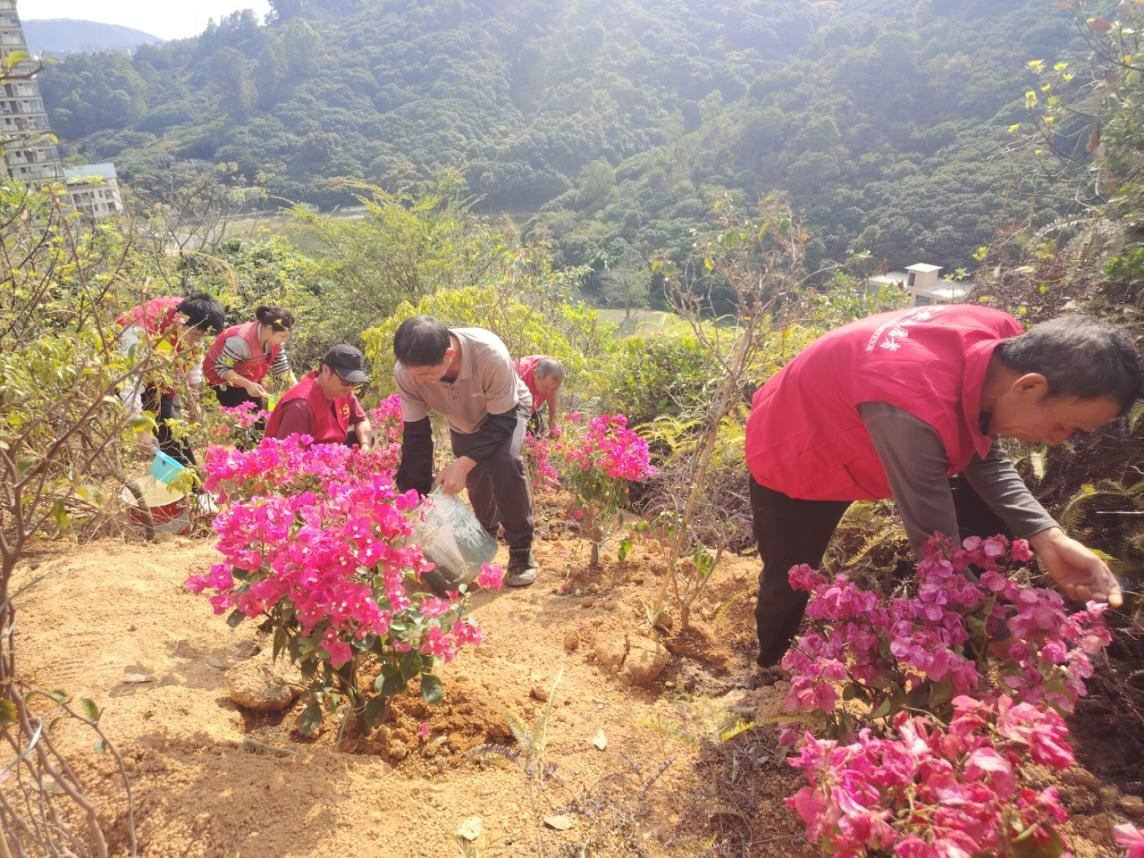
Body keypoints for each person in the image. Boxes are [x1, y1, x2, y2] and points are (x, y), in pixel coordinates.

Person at [745, 304, 1143, 669]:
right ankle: (770, 663)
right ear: (1030, 387)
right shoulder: (911, 411)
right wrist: (1007, 643)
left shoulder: (1001, 343)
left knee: (985, 519)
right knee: (790, 573)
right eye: (1065, 426)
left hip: (865, 420)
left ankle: (963, 637)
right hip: (798, 451)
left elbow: (981, 448)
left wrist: (1048, 537)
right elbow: (936, 553)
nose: (1058, 441)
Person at [392, 315, 538, 587]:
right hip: (462, 420)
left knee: (504, 461)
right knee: (478, 483)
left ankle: (521, 550)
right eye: (413, 372)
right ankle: (485, 537)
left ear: (449, 354)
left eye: (425, 374)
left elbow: (502, 420)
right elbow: (416, 436)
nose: (418, 380)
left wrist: (462, 463)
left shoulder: (488, 353)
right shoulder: (408, 373)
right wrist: (416, 496)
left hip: (505, 411)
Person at [118, 293, 226, 467]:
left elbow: (194, 359)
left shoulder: (197, 321)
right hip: (129, 372)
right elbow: (129, 383)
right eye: (195, 335)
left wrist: (194, 401)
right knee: (167, 430)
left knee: (172, 427)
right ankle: (189, 487)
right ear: (179, 319)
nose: (197, 341)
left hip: (161, 373)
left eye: (202, 338)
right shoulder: (141, 328)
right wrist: (141, 429)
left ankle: (181, 483)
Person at [264, 344, 373, 449]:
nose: (350, 387)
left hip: (330, 451)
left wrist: (365, 446)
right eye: (345, 381)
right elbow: (286, 455)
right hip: (307, 461)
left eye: (354, 382)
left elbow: (361, 420)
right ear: (326, 370)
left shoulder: (342, 390)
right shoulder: (300, 406)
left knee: (364, 439)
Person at [203, 306, 297, 415]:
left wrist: (296, 387)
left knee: (259, 420)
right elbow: (221, 368)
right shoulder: (240, 340)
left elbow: (282, 367)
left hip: (248, 376)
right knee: (245, 420)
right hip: (222, 380)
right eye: (282, 336)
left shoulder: (275, 340)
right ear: (269, 329)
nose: (284, 340)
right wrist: (248, 385)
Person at [516, 355, 565, 438]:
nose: (549, 393)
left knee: (536, 435)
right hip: (508, 407)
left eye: (553, 389)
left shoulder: (551, 378)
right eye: (545, 388)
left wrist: (552, 423)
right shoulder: (519, 372)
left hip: (531, 409)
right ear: (535, 374)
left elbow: (552, 395)